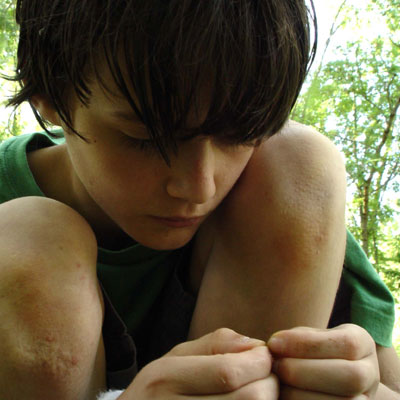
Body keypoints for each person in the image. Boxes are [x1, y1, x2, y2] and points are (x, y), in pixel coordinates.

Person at [0, 0, 399, 399]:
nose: (200, 189)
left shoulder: (282, 206)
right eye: (146, 139)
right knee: (29, 236)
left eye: (241, 135)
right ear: (48, 95)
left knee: (300, 159)